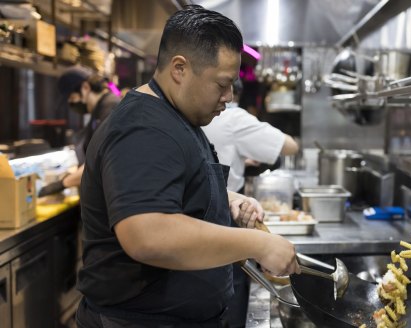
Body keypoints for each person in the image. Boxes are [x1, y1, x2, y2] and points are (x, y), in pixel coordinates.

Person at [75, 5, 300, 328]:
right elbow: (147, 234)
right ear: (179, 68)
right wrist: (259, 245)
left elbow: (173, 192)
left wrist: (227, 200)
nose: (229, 96)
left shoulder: (178, 117)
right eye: (222, 84)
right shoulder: (144, 128)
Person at [202, 79, 299, 327]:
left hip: (217, 209)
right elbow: (290, 146)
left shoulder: (188, 120)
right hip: (224, 220)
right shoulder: (235, 118)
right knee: (229, 291)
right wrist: (262, 244)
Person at [202, 79, 299, 194]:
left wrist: (241, 161)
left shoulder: (196, 114)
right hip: (224, 202)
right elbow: (291, 146)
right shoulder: (234, 117)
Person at [38, 68, 119, 197]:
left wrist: (62, 183)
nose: (73, 104)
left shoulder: (110, 108)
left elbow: (99, 163)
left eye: (72, 97)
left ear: (86, 87)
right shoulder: (98, 110)